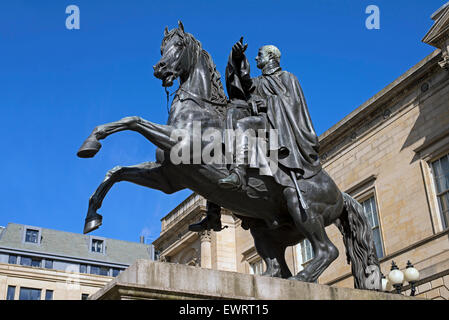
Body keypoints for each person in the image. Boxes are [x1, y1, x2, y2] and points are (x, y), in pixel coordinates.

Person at [189, 39, 322, 232]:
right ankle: (213, 211)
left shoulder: (287, 78)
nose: (256, 58)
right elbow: (244, 86)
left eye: (259, 55)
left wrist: (265, 105)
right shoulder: (259, 81)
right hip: (262, 125)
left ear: (270, 57)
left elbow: (292, 105)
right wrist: (237, 57)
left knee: (243, 125)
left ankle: (239, 173)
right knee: (226, 125)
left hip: (279, 126)